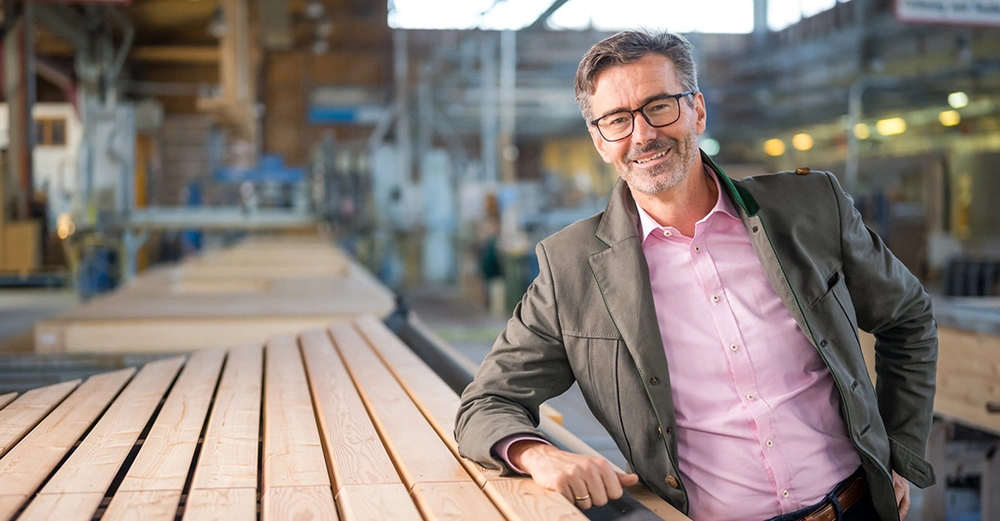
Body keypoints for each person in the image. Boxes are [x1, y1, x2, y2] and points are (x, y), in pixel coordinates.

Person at [455, 30, 937, 521]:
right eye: (617, 120)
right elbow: (485, 403)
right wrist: (539, 455)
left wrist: (898, 452)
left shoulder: (810, 209)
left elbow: (909, 318)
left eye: (659, 106)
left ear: (697, 111)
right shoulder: (572, 270)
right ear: (600, 142)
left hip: (854, 508)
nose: (642, 135)